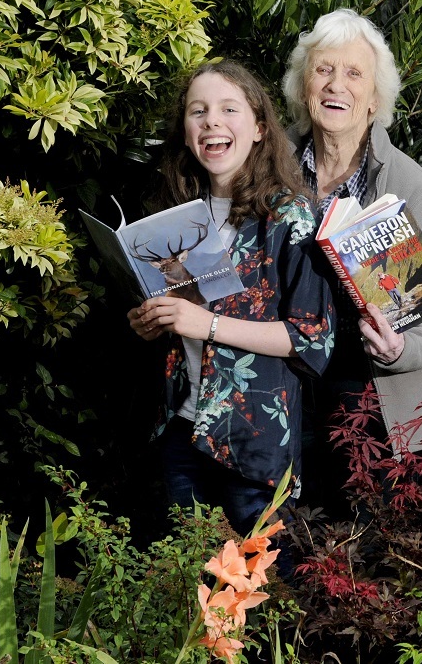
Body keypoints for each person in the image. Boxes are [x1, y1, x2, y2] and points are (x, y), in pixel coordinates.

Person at [128, 59, 336, 535]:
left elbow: (311, 337)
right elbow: (179, 323)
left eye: (228, 109)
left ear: (260, 127)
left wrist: (207, 325)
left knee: (263, 591)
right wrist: (150, 320)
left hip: (254, 441)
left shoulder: (290, 217)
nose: (212, 122)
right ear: (185, 132)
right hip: (183, 429)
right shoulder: (176, 217)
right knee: (189, 586)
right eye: (198, 111)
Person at [281, 8, 422, 513]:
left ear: (375, 99)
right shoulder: (271, 173)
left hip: (378, 407)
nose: (336, 85)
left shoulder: (410, 185)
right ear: (303, 87)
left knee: (369, 568)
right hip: (287, 399)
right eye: (324, 70)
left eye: (354, 73)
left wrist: (400, 347)